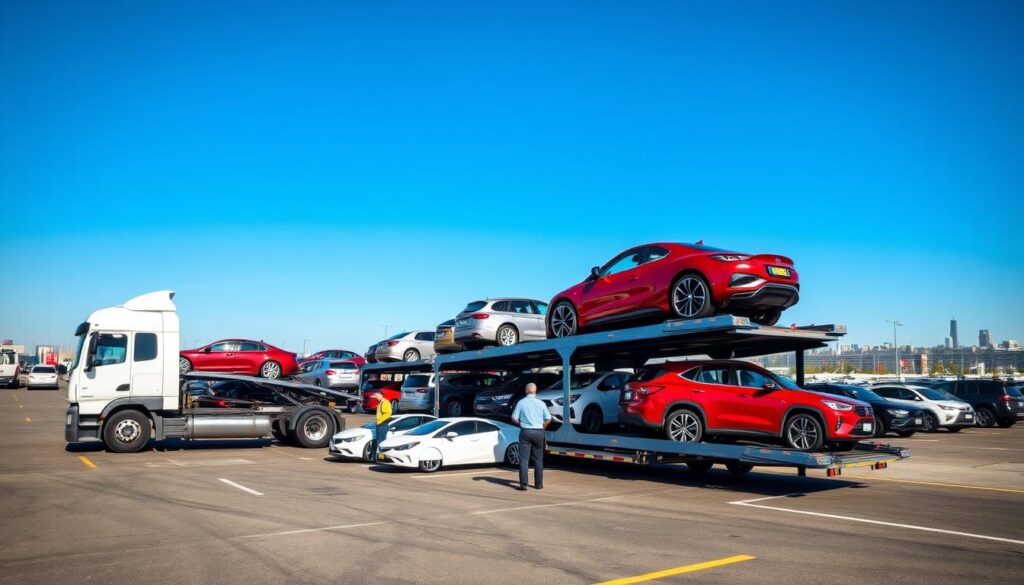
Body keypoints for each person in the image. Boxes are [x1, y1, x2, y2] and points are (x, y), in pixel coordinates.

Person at [511, 382, 551, 491]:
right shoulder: (541, 403)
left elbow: (514, 418)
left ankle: (524, 485)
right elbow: (548, 418)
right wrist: (542, 427)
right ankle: (538, 484)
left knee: (524, 459)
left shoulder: (521, 403)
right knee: (538, 459)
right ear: (535, 390)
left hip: (526, 432)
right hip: (539, 432)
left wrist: (520, 423)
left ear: (526, 391)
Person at [370, 392, 392, 462]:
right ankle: (380, 458)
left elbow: (388, 413)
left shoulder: (385, 402)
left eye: (376, 395)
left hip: (382, 424)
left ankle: (381, 458)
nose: (375, 396)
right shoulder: (381, 402)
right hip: (380, 425)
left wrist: (379, 421)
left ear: (380, 395)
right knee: (379, 441)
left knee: (381, 442)